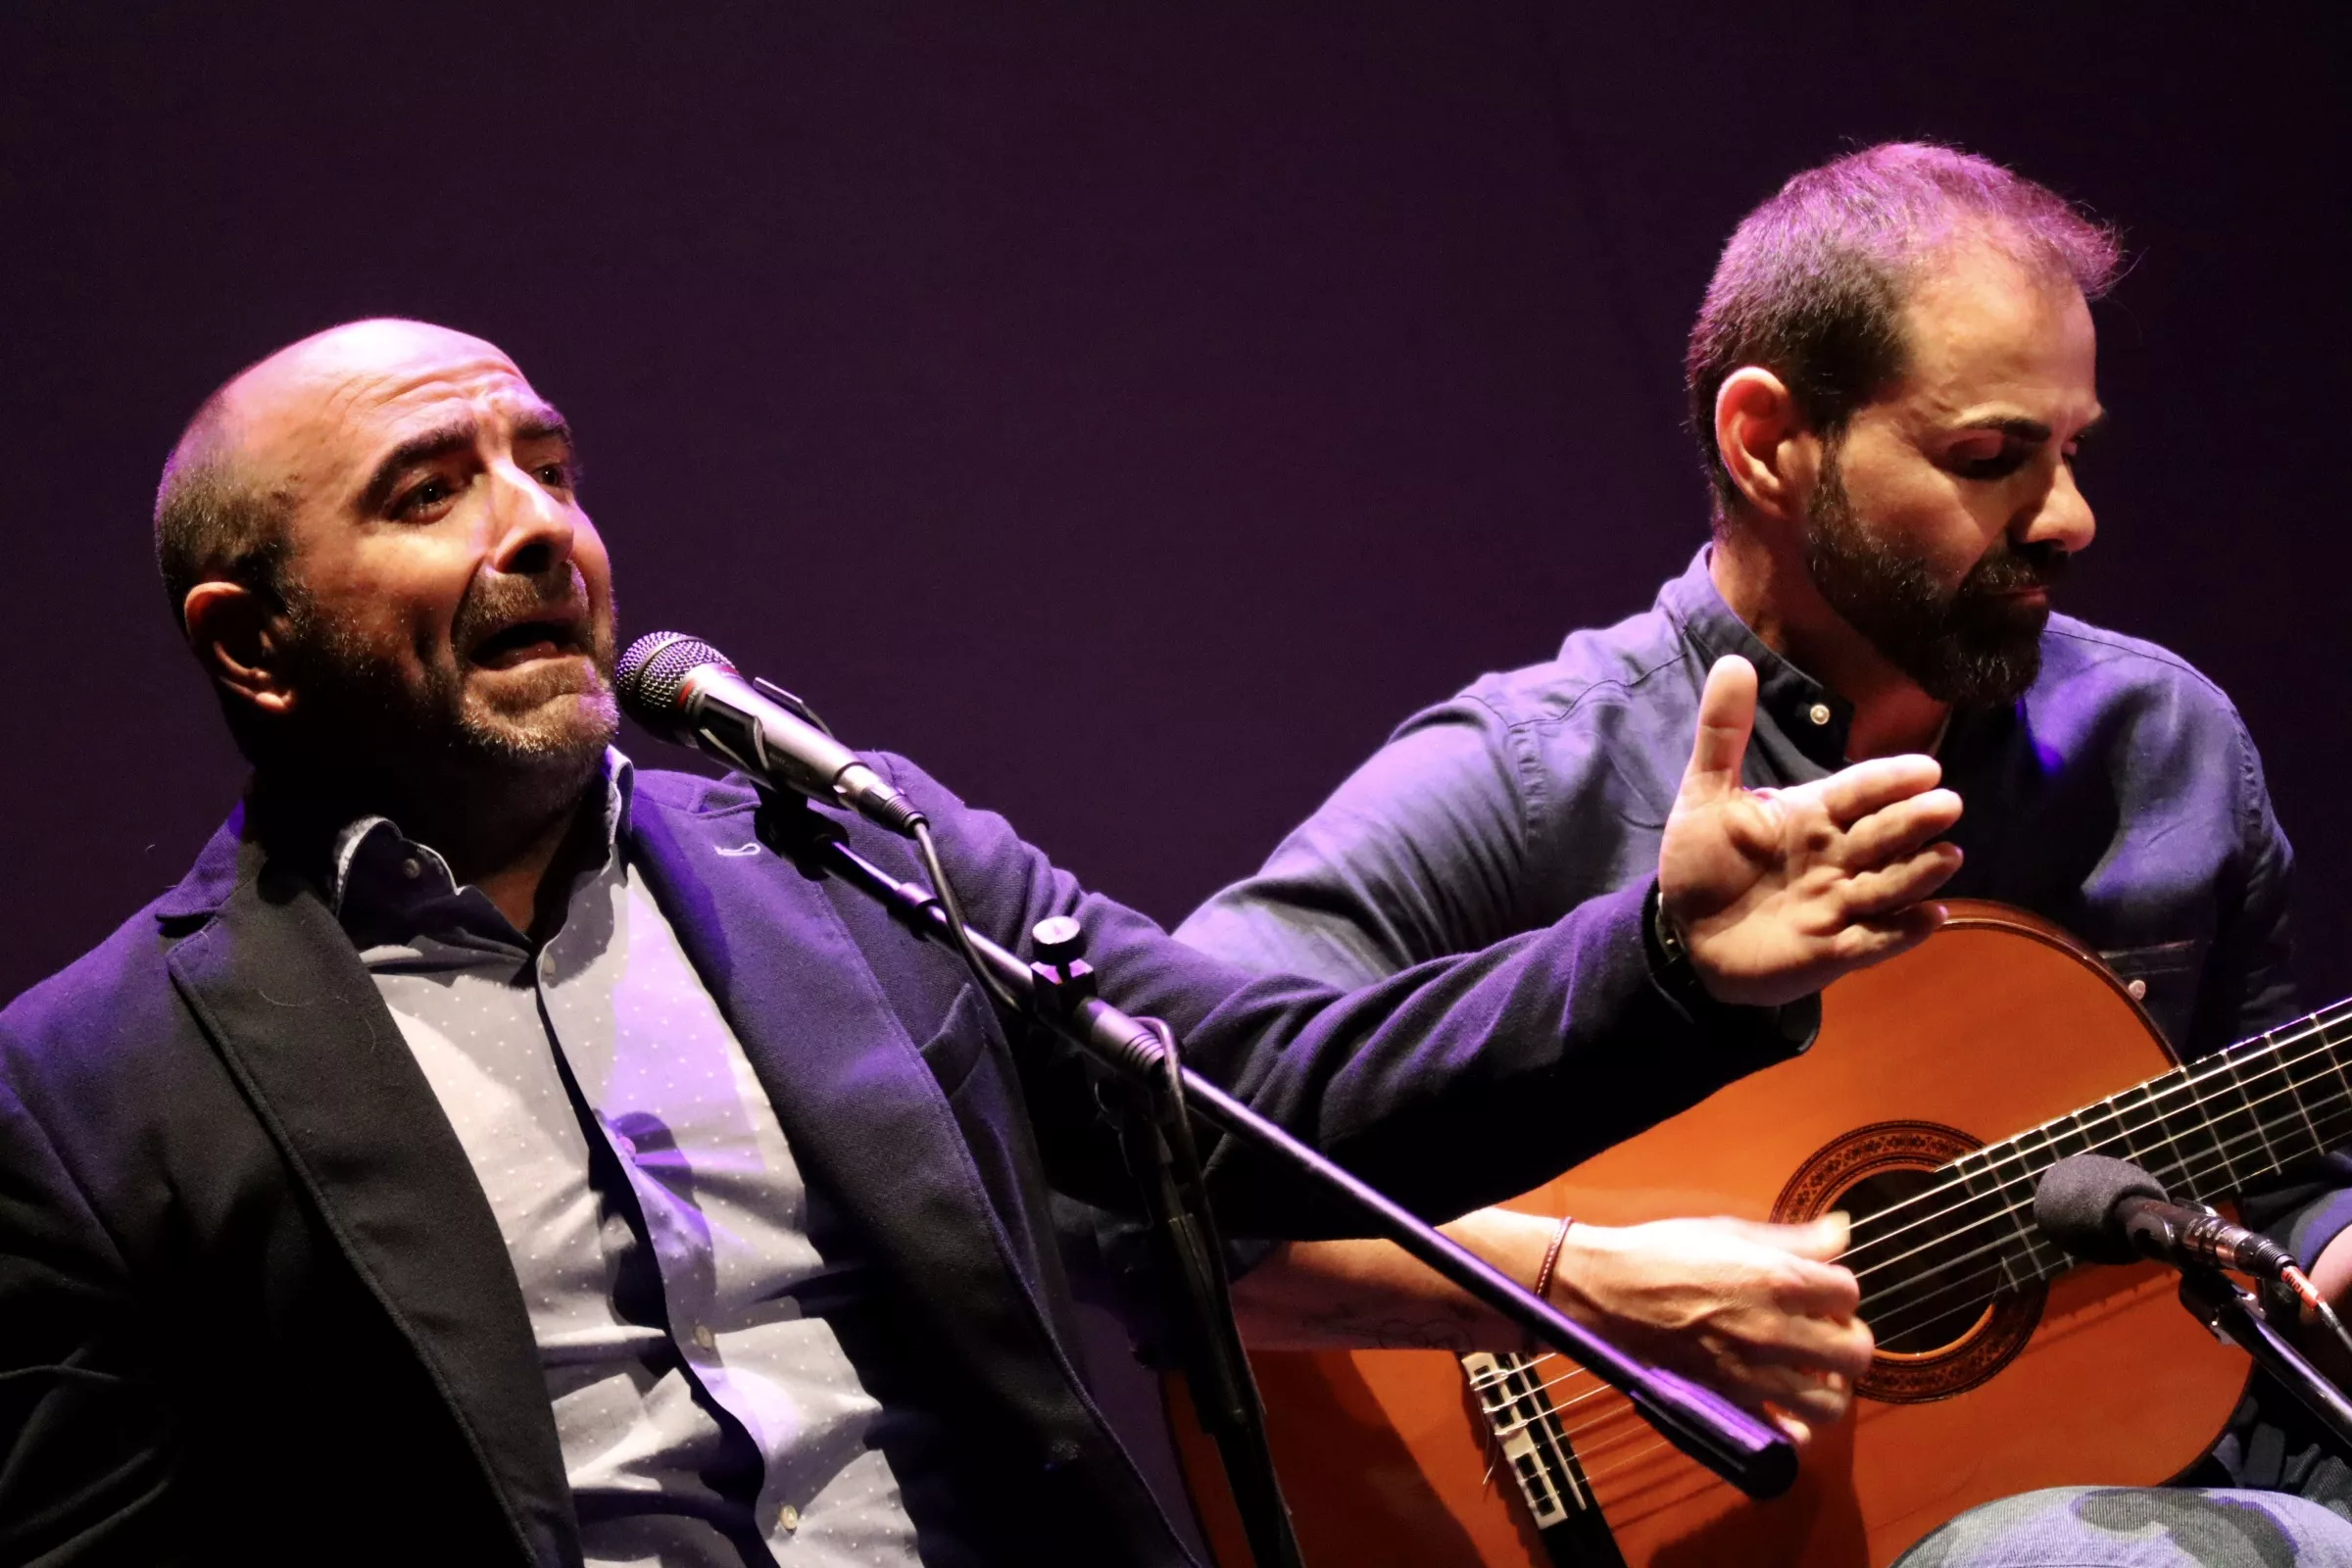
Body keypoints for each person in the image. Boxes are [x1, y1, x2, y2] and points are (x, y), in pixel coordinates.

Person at [0, 318, 1962, 1566]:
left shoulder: (838, 849)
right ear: (253, 643)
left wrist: (1666, 963)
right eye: (433, 492)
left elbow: (1262, 1094)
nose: (536, 527)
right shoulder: (92, 1091)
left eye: (549, 466)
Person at [1179, 143, 2351, 1561]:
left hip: (2160, 1460)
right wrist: (1594, 1289)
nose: (2069, 517)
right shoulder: (1532, 777)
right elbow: (1138, 1181)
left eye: (2074, 448)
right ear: (1768, 443)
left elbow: (2272, 1169)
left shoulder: (2161, 745)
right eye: (1990, 457)